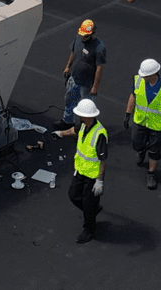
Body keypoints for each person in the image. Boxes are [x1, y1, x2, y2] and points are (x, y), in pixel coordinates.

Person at [53, 99, 107, 244]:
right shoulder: (84, 125)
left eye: (81, 115)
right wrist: (61, 134)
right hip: (81, 171)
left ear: (88, 116)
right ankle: (92, 211)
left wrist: (99, 181)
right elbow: (74, 131)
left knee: (89, 204)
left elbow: (103, 160)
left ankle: (89, 230)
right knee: (73, 195)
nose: (80, 117)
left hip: (93, 176)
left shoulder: (99, 133)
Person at [124, 59, 161, 190]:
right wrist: (127, 114)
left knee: (154, 150)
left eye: (145, 76)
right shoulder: (138, 81)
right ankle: (141, 150)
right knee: (137, 143)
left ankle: (151, 174)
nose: (143, 77)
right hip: (140, 121)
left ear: (153, 74)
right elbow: (132, 97)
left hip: (157, 126)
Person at [54, 19, 106, 131]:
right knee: (69, 101)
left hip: (87, 84)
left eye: (86, 36)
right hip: (74, 78)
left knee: (86, 106)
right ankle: (67, 121)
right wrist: (68, 66)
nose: (83, 37)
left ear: (92, 34)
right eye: (82, 35)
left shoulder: (99, 47)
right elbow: (73, 52)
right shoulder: (78, 38)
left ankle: (86, 128)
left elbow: (99, 68)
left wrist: (95, 87)